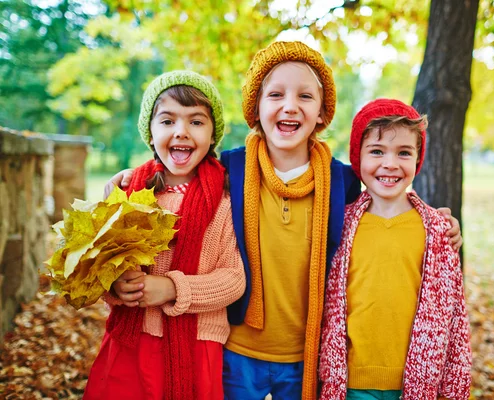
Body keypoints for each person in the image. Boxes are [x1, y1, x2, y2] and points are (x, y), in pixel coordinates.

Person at [106, 41, 463, 400]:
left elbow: (386, 195)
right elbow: (176, 168)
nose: (289, 106)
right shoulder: (230, 168)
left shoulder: (342, 181)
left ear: (322, 112)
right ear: (256, 108)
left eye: (304, 97)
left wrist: (437, 221)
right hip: (237, 348)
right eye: (275, 95)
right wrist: (130, 177)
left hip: (306, 352)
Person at [84, 70, 246, 400]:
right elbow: (100, 263)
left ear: (213, 134)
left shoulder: (225, 201)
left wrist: (172, 288)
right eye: (168, 121)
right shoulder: (129, 192)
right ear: (150, 130)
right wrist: (117, 286)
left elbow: (233, 279)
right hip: (131, 340)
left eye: (196, 122)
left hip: (197, 343)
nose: (181, 132)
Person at [318, 99, 472, 400]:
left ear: (417, 160)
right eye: (377, 151)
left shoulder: (437, 231)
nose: (390, 164)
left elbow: (455, 318)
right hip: (349, 383)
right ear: (357, 158)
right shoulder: (340, 224)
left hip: (416, 383)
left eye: (403, 153)